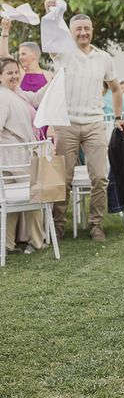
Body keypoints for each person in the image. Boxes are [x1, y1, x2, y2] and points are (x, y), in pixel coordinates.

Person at [42, 0, 124, 242]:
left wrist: (118, 117)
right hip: (66, 125)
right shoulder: (62, 53)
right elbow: (50, 32)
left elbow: (115, 88)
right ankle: (58, 227)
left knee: (100, 177)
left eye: (86, 29)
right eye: (78, 29)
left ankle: (96, 225)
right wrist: (49, 11)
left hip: (94, 124)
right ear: (70, 33)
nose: (83, 33)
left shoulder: (103, 58)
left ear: (92, 31)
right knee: (64, 179)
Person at [0, 58, 48, 255]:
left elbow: (36, 99)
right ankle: (37, 241)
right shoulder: (3, 97)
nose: (14, 76)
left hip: (18, 155)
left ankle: (7, 243)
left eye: (16, 72)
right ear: (0, 76)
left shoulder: (17, 93)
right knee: (34, 196)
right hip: (14, 156)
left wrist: (53, 81)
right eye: (9, 73)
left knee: (11, 201)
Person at [0, 18, 52, 91]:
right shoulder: (20, 73)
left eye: (23, 54)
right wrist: (5, 30)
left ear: (34, 55)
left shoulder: (49, 75)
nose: (20, 57)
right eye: (20, 55)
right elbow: (3, 54)